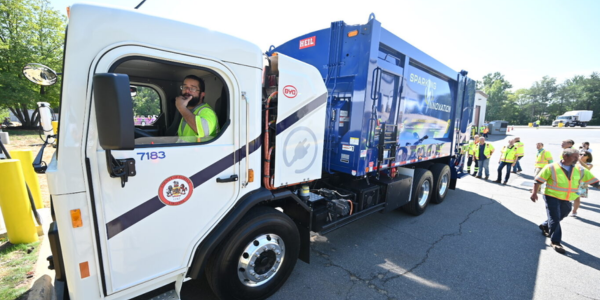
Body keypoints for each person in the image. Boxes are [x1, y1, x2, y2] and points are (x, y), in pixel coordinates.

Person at [531, 148, 600, 254]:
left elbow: (595, 182)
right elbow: (538, 180)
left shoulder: (580, 169)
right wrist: (534, 193)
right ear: (565, 156)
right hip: (551, 196)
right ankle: (555, 242)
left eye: (578, 157)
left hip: (568, 198)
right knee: (554, 217)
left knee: (562, 214)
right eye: (575, 157)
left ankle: (545, 225)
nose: (577, 159)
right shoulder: (551, 167)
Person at [176, 75, 219, 143]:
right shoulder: (187, 111)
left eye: (193, 88)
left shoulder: (207, 111)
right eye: (185, 87)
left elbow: (205, 131)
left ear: (202, 94)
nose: (187, 91)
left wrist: (181, 107)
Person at [571, 151, 593, 217]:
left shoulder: (589, 164)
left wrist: (579, 160)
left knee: (577, 198)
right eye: (580, 154)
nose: (582, 155)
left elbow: (587, 167)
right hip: (573, 181)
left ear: (588, 157)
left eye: (584, 154)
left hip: (582, 183)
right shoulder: (575, 162)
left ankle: (574, 211)